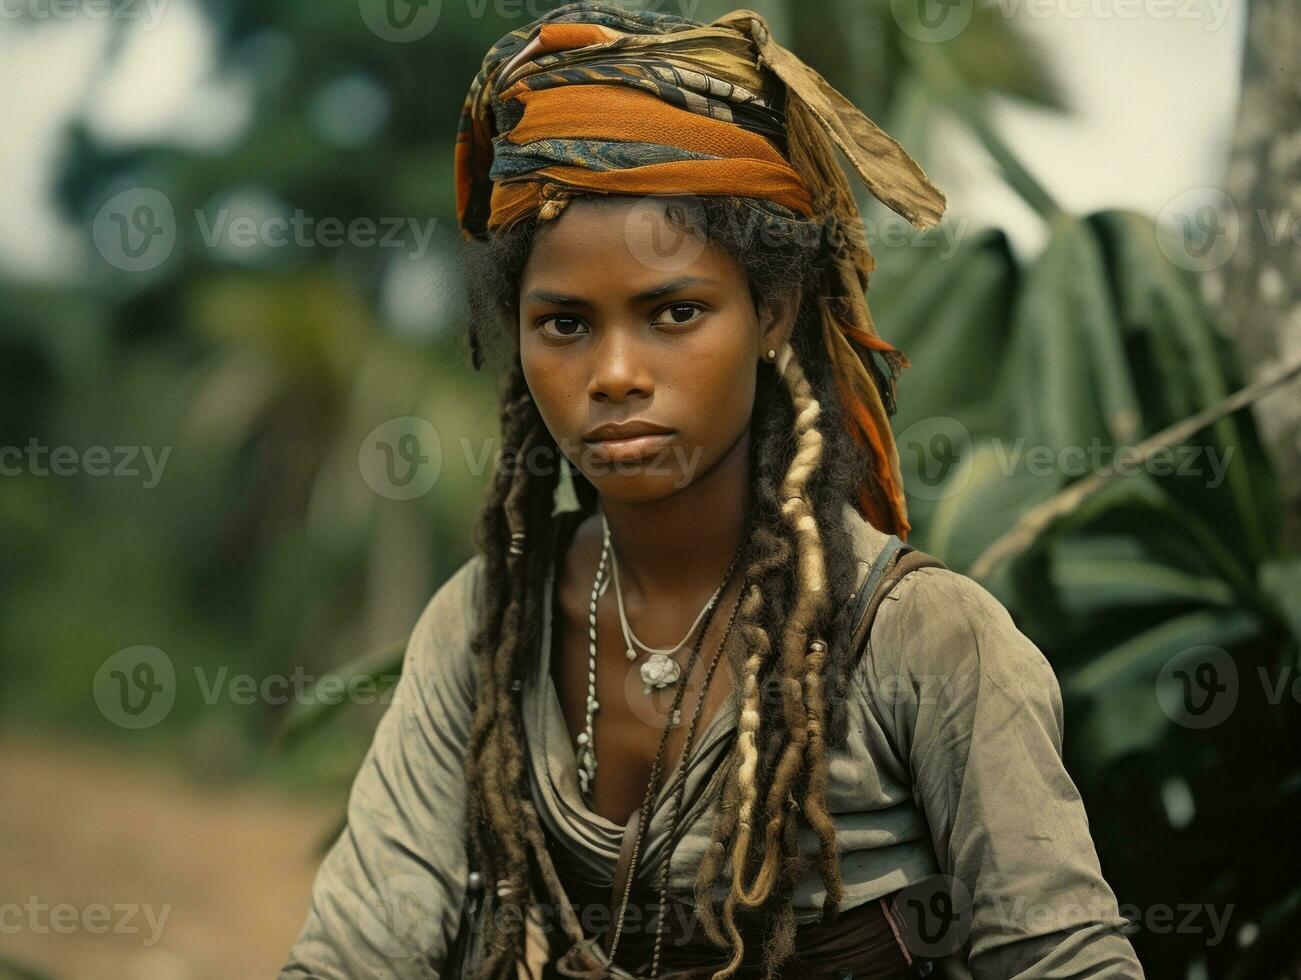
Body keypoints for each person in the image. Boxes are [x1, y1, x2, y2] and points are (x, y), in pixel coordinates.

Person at [280, 3, 1145, 978]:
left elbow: (1065, 958)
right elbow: (353, 953)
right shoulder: (486, 627)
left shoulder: (927, 640)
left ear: (771, 312)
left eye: (674, 312)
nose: (613, 371)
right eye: (563, 323)